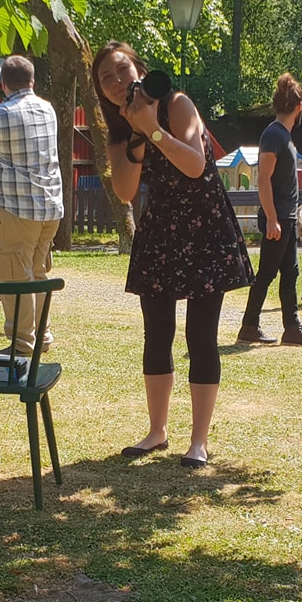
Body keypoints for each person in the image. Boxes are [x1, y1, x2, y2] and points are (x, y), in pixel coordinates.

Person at [94, 41, 251, 469]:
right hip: (161, 230)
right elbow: (126, 192)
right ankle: (157, 431)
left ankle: (199, 441)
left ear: (138, 68)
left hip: (204, 227)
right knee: (157, 332)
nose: (114, 83)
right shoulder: (119, 134)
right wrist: (137, 137)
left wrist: (154, 128)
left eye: (120, 71)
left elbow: (196, 165)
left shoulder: (178, 103)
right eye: (104, 78)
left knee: (200, 336)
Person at [0, 56, 63, 356]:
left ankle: (21, 345)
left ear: (3, 84)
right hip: (49, 207)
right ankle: (41, 336)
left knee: (13, 276)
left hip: (14, 208)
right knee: (37, 272)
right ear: (32, 80)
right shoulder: (47, 109)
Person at [236, 72, 302, 347]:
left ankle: (291, 328)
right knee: (268, 272)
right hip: (278, 216)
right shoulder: (274, 135)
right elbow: (263, 180)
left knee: (290, 272)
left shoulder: (283, 135)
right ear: (299, 106)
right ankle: (249, 325)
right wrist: (272, 218)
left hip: (286, 215)